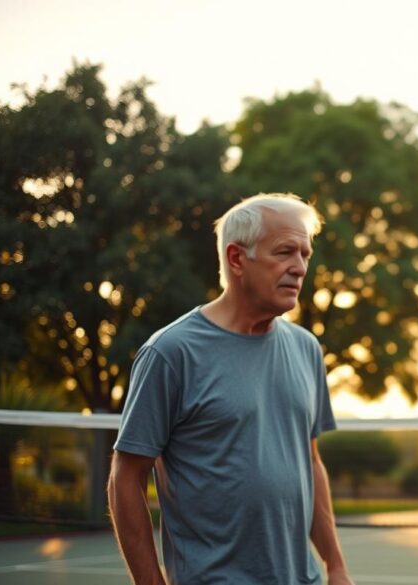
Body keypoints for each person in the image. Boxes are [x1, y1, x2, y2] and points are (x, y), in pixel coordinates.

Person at [109, 193, 354, 585]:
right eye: (285, 252)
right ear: (237, 258)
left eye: (305, 254)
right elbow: (126, 476)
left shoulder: (306, 348)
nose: (300, 267)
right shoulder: (170, 353)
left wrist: (335, 565)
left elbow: (310, 463)